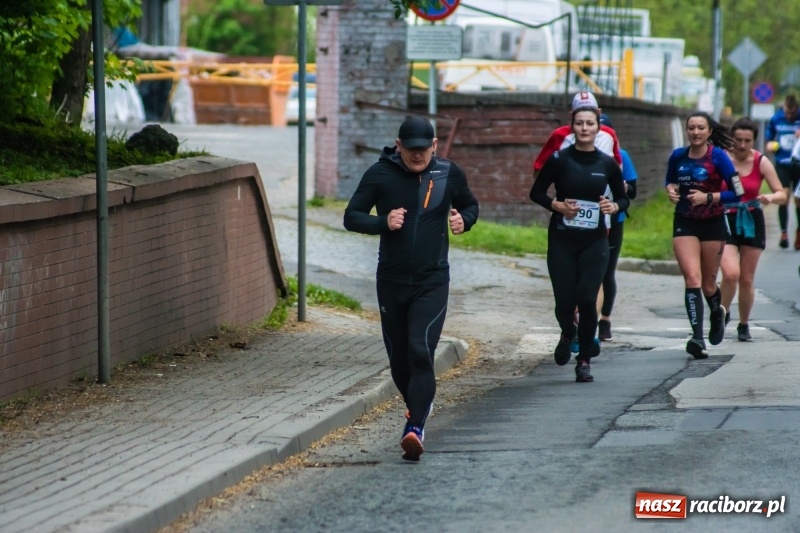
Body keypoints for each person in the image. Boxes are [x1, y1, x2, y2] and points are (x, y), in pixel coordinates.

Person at [343, 116, 479, 461]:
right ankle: (419, 404)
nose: (418, 156)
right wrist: (382, 223)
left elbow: (471, 205)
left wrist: (465, 220)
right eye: (411, 149)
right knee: (400, 365)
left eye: (424, 149)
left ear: (434, 145)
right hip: (390, 281)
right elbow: (351, 216)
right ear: (398, 145)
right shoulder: (380, 175)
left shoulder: (449, 173)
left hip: (432, 281)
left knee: (420, 349)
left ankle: (415, 427)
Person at [529, 104, 629, 383]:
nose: (585, 128)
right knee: (564, 303)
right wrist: (557, 205)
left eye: (590, 124)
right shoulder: (559, 159)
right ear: (572, 128)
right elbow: (536, 193)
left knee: (587, 298)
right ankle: (566, 332)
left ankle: (584, 359)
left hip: (594, 240)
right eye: (580, 123)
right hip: (562, 238)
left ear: (598, 129)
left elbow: (624, 198)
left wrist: (612, 206)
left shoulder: (606, 163)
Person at [665, 111, 743, 359]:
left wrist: (708, 197)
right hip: (684, 221)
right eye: (691, 128)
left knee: (709, 284)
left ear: (709, 132)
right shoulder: (678, 156)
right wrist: (671, 190)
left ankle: (718, 313)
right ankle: (697, 337)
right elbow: (669, 181)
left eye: (701, 128)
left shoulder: (718, 157)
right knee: (692, 278)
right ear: (687, 131)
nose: (695, 133)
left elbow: (737, 192)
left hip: (713, 223)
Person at [720, 117, 786, 341]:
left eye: (747, 140)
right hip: (725, 218)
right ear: (732, 138)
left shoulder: (761, 162)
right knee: (730, 273)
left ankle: (743, 324)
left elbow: (782, 193)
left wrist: (770, 197)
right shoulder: (722, 159)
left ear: (754, 141)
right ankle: (722, 313)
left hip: (751, 218)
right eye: (738, 139)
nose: (741, 145)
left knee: (746, 279)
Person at [596, 113, 638, 341]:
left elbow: (633, 191)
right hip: (586, 220)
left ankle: (605, 319)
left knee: (606, 271)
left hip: (614, 220)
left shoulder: (622, 156)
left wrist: (623, 187)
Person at [532, 91, 622, 179]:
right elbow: (538, 171)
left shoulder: (609, 134)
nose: (584, 128)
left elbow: (618, 165)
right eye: (579, 122)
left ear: (599, 113)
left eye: (590, 122)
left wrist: (619, 185)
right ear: (572, 116)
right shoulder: (559, 135)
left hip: (603, 193)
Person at [765, 94, 800, 249]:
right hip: (782, 163)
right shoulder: (776, 119)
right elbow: (769, 139)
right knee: (784, 197)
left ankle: (799, 232)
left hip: (799, 164)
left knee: (799, 200)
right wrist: (771, 145)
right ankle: (784, 233)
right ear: (784, 108)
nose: (789, 116)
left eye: (792, 114)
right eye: (787, 112)